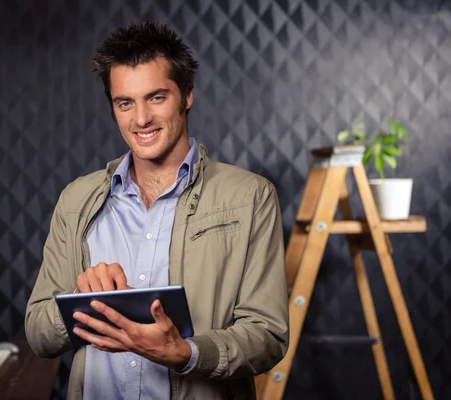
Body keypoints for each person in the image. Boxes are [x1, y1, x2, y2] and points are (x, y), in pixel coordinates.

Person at [25, 21, 288, 400]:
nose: (141, 119)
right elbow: (37, 333)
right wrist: (80, 302)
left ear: (187, 96)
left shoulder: (250, 196)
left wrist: (186, 353)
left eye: (157, 97)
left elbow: (267, 335)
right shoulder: (76, 201)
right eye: (125, 103)